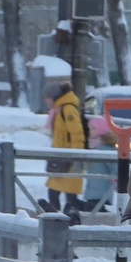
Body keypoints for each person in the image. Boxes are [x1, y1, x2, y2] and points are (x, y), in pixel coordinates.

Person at [45, 72, 88, 215]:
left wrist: (76, 156)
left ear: (55, 97)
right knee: (54, 192)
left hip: (69, 160)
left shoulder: (68, 109)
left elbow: (77, 134)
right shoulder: (58, 110)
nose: (46, 101)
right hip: (60, 158)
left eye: (47, 97)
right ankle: (56, 217)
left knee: (70, 197)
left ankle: (82, 215)